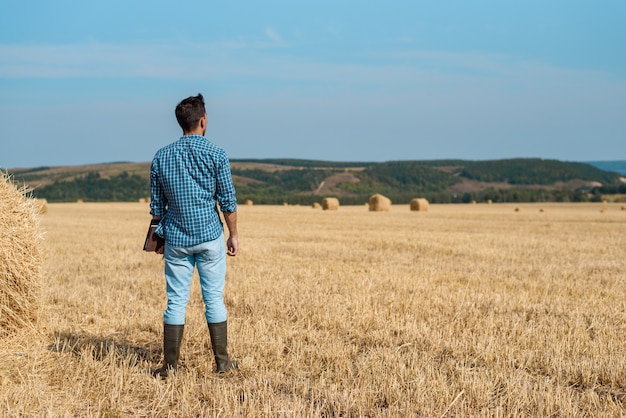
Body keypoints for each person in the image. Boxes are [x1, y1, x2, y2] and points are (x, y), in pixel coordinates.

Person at [149, 93, 239, 377]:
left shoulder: (161, 157)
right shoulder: (217, 154)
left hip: (176, 238)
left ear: (181, 123)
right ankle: (222, 363)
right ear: (203, 121)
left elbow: (156, 207)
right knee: (214, 300)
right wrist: (233, 234)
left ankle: (170, 367)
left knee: (176, 301)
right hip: (210, 236)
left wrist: (157, 238)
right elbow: (228, 202)